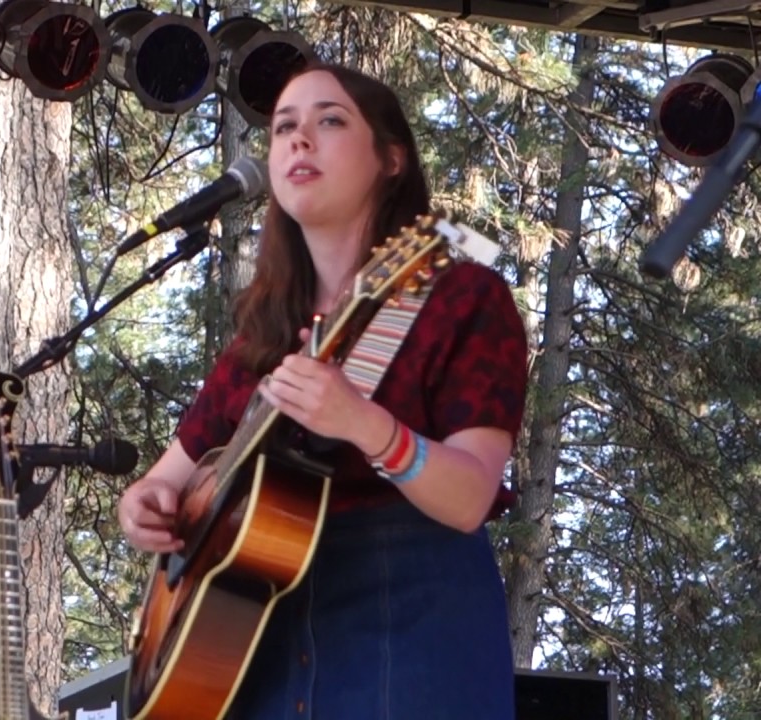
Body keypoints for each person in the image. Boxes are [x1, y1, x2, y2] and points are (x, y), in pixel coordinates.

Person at [118, 62, 529, 718]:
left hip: (410, 625)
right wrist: (147, 506)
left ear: (391, 159)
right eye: (284, 128)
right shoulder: (260, 340)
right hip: (256, 649)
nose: (298, 140)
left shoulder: (460, 297)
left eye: (329, 121)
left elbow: (468, 498)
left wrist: (367, 426)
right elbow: (163, 483)